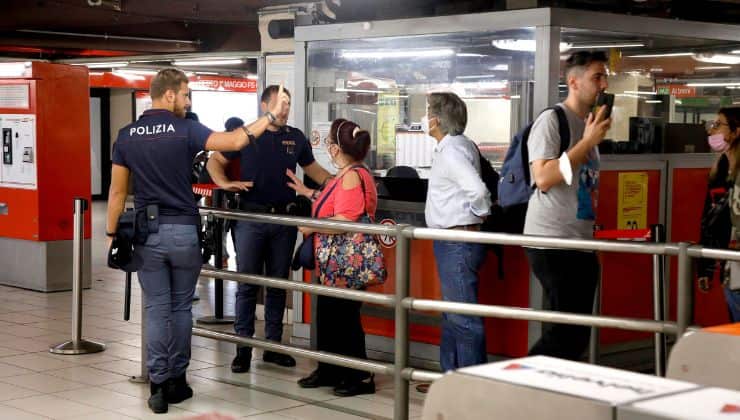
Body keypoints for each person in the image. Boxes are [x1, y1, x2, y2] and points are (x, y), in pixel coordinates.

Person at [106, 68, 287, 414]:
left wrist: (112, 233)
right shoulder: (185, 128)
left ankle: (158, 385)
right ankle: (178, 380)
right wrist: (270, 116)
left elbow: (116, 192)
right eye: (186, 94)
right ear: (169, 95)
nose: (188, 101)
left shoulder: (127, 135)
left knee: (157, 309)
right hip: (185, 231)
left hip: (147, 235)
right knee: (180, 307)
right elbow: (235, 141)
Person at [206, 85, 333, 373]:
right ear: (265, 105)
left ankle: (273, 348)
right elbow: (215, 160)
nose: (285, 109)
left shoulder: (295, 138)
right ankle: (243, 350)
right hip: (251, 219)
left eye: (288, 104)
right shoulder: (248, 134)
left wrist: (345, 181)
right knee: (247, 286)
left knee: (278, 285)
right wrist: (224, 183)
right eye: (280, 103)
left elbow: (314, 171)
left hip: (283, 223)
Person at [524, 50, 611, 360]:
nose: (603, 84)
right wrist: (586, 143)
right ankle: (514, 385)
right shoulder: (552, 120)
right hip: (552, 240)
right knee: (566, 332)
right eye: (596, 77)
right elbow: (544, 177)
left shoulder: (588, 124)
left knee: (575, 332)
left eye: (605, 76)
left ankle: (553, 394)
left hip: (579, 239)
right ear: (573, 81)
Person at [286, 118, 377, 396]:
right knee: (329, 314)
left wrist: (311, 226)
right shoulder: (348, 173)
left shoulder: (351, 175)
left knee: (344, 318)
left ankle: (358, 375)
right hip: (334, 262)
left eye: (328, 143)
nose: (326, 147)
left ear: (336, 149)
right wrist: (308, 192)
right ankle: (330, 369)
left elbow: (344, 220)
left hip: (344, 261)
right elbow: (336, 203)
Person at [423, 92, 491, 372]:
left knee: (463, 320)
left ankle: (471, 389)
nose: (425, 118)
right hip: (454, 240)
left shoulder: (451, 151)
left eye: (428, 113)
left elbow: (477, 190)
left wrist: (481, 212)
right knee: (453, 316)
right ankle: (450, 379)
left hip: (457, 241)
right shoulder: (459, 145)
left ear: (437, 120)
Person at [699, 107, 740, 321]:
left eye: (718, 125)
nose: (711, 131)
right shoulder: (720, 171)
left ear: (736, 131)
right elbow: (709, 219)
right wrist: (705, 268)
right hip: (729, 268)